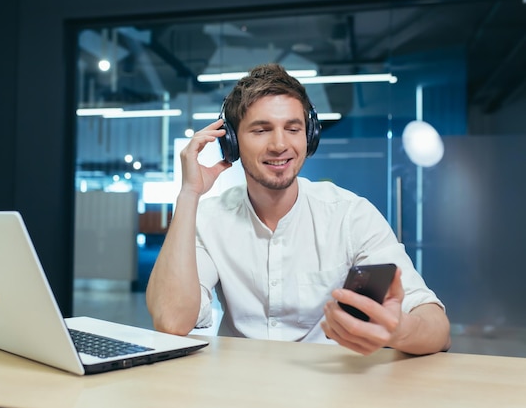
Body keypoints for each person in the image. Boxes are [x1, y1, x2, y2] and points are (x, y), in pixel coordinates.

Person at [146, 63, 451, 356]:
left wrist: (396, 331)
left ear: (310, 137)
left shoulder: (350, 214)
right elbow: (172, 321)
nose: (280, 145)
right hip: (239, 386)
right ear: (233, 144)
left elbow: (437, 328)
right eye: (261, 130)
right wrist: (189, 194)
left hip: (328, 387)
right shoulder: (209, 218)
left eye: (292, 129)